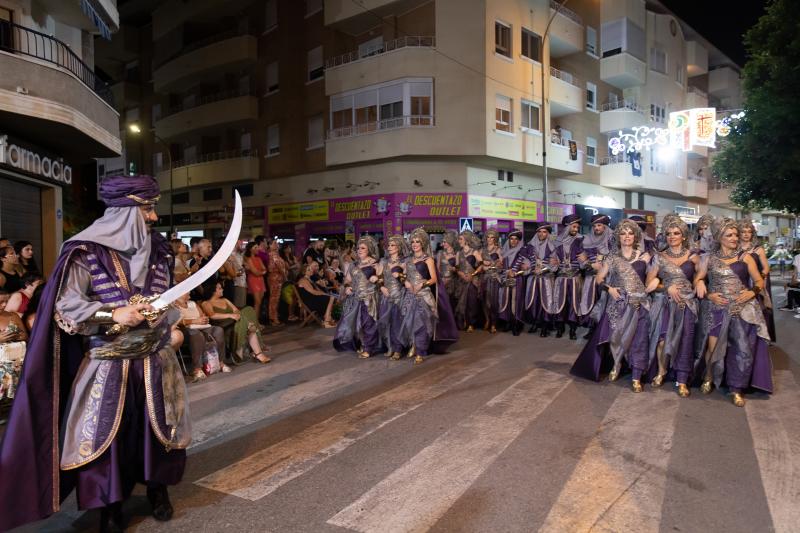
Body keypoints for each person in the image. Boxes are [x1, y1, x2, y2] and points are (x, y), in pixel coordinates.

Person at [0, 175, 190, 532]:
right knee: (107, 438)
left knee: (158, 431)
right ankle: (110, 506)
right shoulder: (85, 250)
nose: (152, 218)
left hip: (154, 360)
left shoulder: (159, 249)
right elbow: (67, 304)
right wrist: (112, 313)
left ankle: (157, 490)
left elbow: (171, 296)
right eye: (147, 209)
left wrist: (168, 314)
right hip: (108, 363)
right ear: (124, 211)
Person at [693, 218, 772, 406]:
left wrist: (752, 292)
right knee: (712, 347)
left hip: (741, 309)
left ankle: (736, 388)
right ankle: (709, 377)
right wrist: (708, 292)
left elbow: (760, 281)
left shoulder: (746, 257)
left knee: (741, 350)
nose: (735, 238)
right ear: (720, 237)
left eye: (736, 234)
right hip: (716, 309)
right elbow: (698, 279)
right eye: (730, 235)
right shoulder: (709, 258)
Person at [571, 219, 653, 392]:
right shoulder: (612, 257)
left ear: (636, 235)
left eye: (630, 233)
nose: (627, 236)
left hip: (639, 303)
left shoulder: (645, 255)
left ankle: (637, 374)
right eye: (623, 233)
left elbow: (653, 277)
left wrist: (657, 281)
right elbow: (599, 279)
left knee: (638, 339)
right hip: (617, 303)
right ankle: (617, 363)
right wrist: (609, 289)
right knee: (616, 337)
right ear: (618, 236)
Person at [645, 216, 699, 397]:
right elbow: (649, 283)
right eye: (668, 234)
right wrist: (666, 286)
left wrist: (700, 283)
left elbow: (703, 278)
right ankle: (662, 371)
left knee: (685, 340)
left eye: (676, 233)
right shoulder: (659, 257)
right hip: (664, 303)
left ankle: (682, 379)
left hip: (687, 304)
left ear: (684, 235)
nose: (672, 236)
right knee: (661, 340)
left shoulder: (694, 256)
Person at [400, 227, 458, 363]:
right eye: (413, 241)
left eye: (417, 242)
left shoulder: (428, 260)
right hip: (409, 295)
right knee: (410, 322)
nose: (414, 244)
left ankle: (420, 350)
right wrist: (405, 281)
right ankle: (413, 344)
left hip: (423, 296)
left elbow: (434, 279)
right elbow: (403, 275)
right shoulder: (408, 260)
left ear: (423, 244)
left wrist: (422, 284)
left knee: (422, 324)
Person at [333, 236, 382, 357]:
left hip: (369, 298)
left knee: (368, 322)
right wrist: (347, 287)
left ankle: (369, 348)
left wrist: (377, 279)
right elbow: (347, 280)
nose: (359, 250)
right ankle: (360, 344)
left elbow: (382, 280)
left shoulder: (376, 263)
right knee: (354, 323)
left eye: (363, 248)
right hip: (354, 298)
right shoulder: (353, 264)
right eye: (358, 248)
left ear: (369, 249)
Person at [201, 281, 270, 365]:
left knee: (249, 310)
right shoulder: (206, 303)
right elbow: (212, 315)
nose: (222, 289)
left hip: (236, 322)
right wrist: (230, 315)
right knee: (249, 326)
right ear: (213, 291)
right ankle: (255, 351)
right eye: (219, 288)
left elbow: (236, 310)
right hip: (225, 326)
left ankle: (257, 353)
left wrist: (235, 315)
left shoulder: (225, 300)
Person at [174, 292, 229, 381]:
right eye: (186, 292)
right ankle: (197, 369)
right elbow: (177, 321)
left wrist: (204, 319)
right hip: (187, 329)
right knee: (196, 334)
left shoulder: (193, 303)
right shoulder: (174, 306)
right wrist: (194, 321)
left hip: (201, 327)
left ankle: (221, 362)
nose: (189, 293)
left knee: (218, 330)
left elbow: (202, 315)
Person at [577, 214, 614, 339]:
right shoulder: (586, 240)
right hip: (590, 278)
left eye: (599, 225)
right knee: (591, 303)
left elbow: (617, 259)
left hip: (607, 279)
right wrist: (590, 264)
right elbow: (581, 261)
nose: (596, 228)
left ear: (605, 226)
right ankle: (592, 330)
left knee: (604, 304)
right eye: (594, 226)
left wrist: (603, 266)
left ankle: (603, 331)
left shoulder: (613, 240)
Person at [739, 219, 775, 342]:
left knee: (760, 309)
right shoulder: (734, 248)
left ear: (752, 233)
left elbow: (766, 268)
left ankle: (761, 336)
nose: (746, 234)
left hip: (756, 282)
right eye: (743, 231)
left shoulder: (757, 249)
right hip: (741, 282)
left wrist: (759, 279)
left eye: (749, 232)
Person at [525, 223, 560, 337]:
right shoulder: (530, 246)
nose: (541, 234)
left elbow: (554, 264)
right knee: (535, 302)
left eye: (544, 232)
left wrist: (544, 269)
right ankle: (535, 323)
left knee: (547, 302)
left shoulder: (552, 246)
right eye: (539, 231)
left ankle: (545, 326)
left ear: (548, 233)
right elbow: (526, 262)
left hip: (546, 279)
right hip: (534, 278)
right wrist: (528, 267)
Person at [553, 214, 584, 339]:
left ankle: (573, 329)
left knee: (574, 304)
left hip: (575, 278)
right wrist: (553, 263)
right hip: (561, 279)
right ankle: (560, 328)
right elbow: (552, 261)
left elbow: (584, 262)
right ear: (567, 227)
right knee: (560, 302)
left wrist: (584, 260)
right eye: (574, 226)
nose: (576, 229)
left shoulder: (581, 240)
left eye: (577, 227)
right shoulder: (557, 242)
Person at [378, 234, 408, 358]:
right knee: (386, 323)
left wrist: (400, 276)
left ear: (399, 247)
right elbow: (379, 277)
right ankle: (389, 346)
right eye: (388, 245)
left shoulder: (405, 261)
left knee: (397, 323)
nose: (389, 247)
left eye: (392, 245)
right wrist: (381, 287)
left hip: (399, 296)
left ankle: (398, 349)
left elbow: (407, 279)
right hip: (386, 295)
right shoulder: (383, 261)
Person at [454, 230, 483, 331]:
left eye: (461, 239)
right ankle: (463, 322)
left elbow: (481, 265)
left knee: (471, 302)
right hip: (462, 280)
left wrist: (473, 274)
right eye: (459, 239)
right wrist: (461, 274)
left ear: (466, 240)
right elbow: (457, 268)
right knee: (461, 302)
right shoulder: (458, 253)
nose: (459, 241)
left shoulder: (474, 252)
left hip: (472, 280)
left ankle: (471, 323)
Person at [499, 230, 526, 335]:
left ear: (519, 241)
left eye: (516, 239)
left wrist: (516, 272)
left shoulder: (523, 252)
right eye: (511, 239)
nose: (513, 241)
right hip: (506, 279)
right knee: (507, 301)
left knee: (516, 302)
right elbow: (502, 267)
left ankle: (517, 324)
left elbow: (526, 268)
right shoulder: (504, 252)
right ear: (508, 240)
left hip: (517, 280)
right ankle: (508, 323)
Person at [297, 263, 337, 327]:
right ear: (304, 272)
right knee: (331, 298)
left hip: (313, 298)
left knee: (331, 297)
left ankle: (328, 317)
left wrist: (325, 293)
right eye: (308, 270)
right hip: (309, 301)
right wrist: (324, 294)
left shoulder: (310, 280)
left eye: (310, 269)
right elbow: (312, 292)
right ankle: (326, 320)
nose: (311, 270)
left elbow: (318, 290)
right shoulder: (303, 280)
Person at [481, 229, 503, 334]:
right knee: (485, 301)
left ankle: (494, 323)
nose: (489, 239)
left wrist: (492, 264)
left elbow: (501, 264)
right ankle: (487, 320)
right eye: (488, 237)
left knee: (494, 301)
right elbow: (479, 265)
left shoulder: (498, 249)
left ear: (495, 239)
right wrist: (483, 265)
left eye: (492, 237)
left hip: (494, 278)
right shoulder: (483, 250)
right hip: (485, 278)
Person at [244, 241, 267, 326]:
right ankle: (255, 323)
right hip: (253, 281)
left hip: (260, 281)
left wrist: (260, 272)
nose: (257, 249)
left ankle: (256, 322)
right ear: (250, 249)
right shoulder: (249, 259)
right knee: (257, 302)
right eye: (255, 247)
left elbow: (264, 269)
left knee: (259, 302)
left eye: (257, 247)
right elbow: (256, 272)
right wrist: (262, 272)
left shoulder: (258, 259)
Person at [437, 230, 460, 315]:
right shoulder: (440, 253)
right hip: (442, 281)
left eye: (445, 242)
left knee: (452, 301)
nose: (443, 244)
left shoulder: (456, 253)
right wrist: (441, 280)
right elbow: (438, 268)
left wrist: (453, 269)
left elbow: (457, 268)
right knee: (443, 302)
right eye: (443, 242)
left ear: (450, 242)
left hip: (453, 281)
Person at [266, 238, 288, 326]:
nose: (277, 245)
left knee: (275, 298)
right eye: (274, 243)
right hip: (275, 279)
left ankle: (274, 317)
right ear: (270, 246)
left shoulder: (274, 254)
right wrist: (285, 276)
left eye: (276, 243)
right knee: (274, 299)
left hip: (276, 278)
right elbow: (280, 267)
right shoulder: (273, 254)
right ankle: (273, 318)